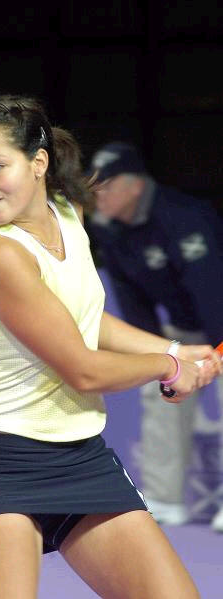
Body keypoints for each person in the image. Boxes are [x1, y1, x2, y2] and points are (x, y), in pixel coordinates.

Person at [0, 95, 222, 599]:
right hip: (1, 465)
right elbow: (83, 370)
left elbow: (87, 321)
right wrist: (167, 366)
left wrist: (179, 350)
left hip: (80, 458)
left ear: (38, 163)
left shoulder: (68, 215)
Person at [87, 141, 223, 531]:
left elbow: (212, 291)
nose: (98, 195)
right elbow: (133, 302)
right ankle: (166, 499)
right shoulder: (109, 231)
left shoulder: (183, 216)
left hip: (220, 320)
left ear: (134, 186)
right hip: (182, 326)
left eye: (106, 186)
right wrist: (157, 355)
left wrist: (214, 354)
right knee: (158, 391)